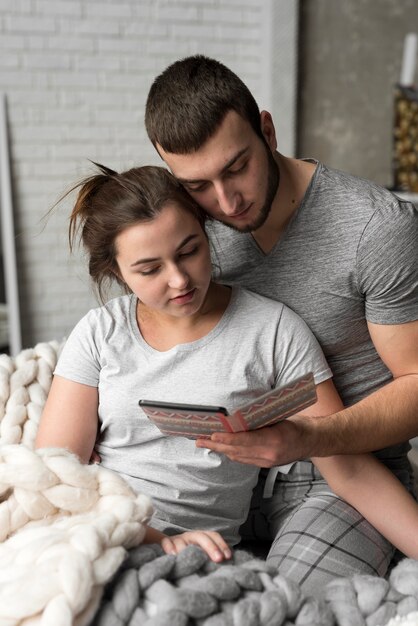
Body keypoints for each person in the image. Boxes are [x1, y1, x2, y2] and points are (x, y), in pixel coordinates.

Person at [35, 164, 418, 596]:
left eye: (189, 251)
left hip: (205, 557)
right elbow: (55, 479)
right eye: (149, 269)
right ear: (117, 271)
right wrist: (155, 540)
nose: (179, 280)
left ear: (206, 230)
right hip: (107, 532)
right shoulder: (100, 332)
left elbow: (347, 468)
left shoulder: (273, 330)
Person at [144, 55, 418, 587]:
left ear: (267, 130)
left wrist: (307, 439)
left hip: (344, 472)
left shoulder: (376, 228)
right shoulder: (193, 234)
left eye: (237, 167)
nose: (226, 201)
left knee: (285, 604)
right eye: (198, 185)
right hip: (220, 477)